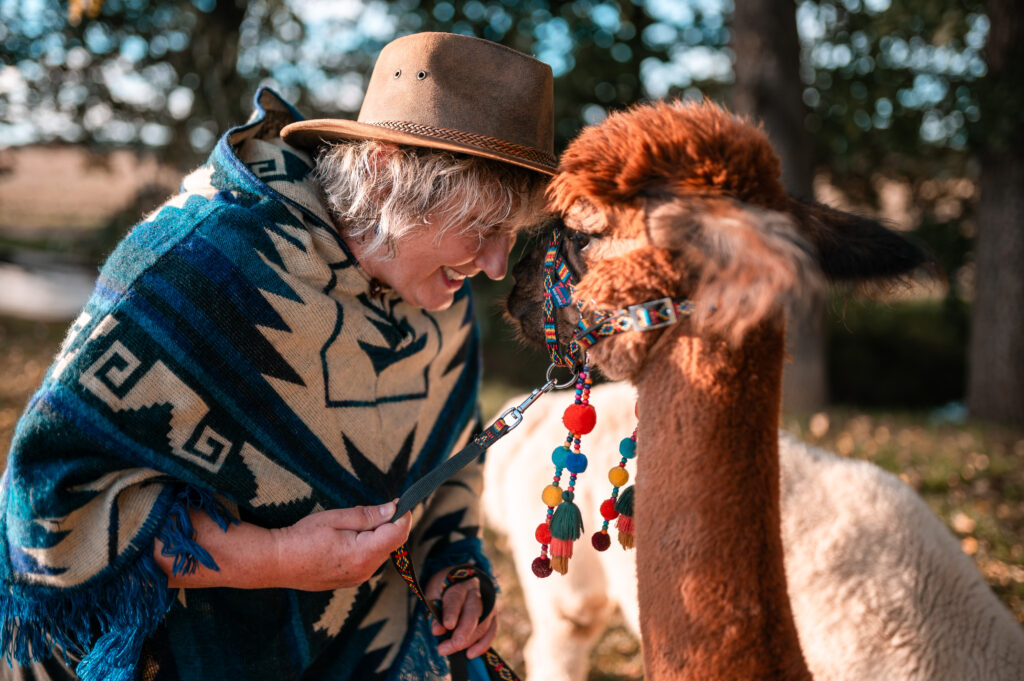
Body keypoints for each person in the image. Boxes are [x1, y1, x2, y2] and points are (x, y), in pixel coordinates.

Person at [0, 32, 554, 681]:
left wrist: (455, 568)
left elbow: (451, 461)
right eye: (482, 226)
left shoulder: (439, 293)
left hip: (375, 646)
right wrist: (272, 556)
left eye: (510, 233)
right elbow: (46, 506)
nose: (495, 266)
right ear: (381, 171)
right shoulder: (196, 265)